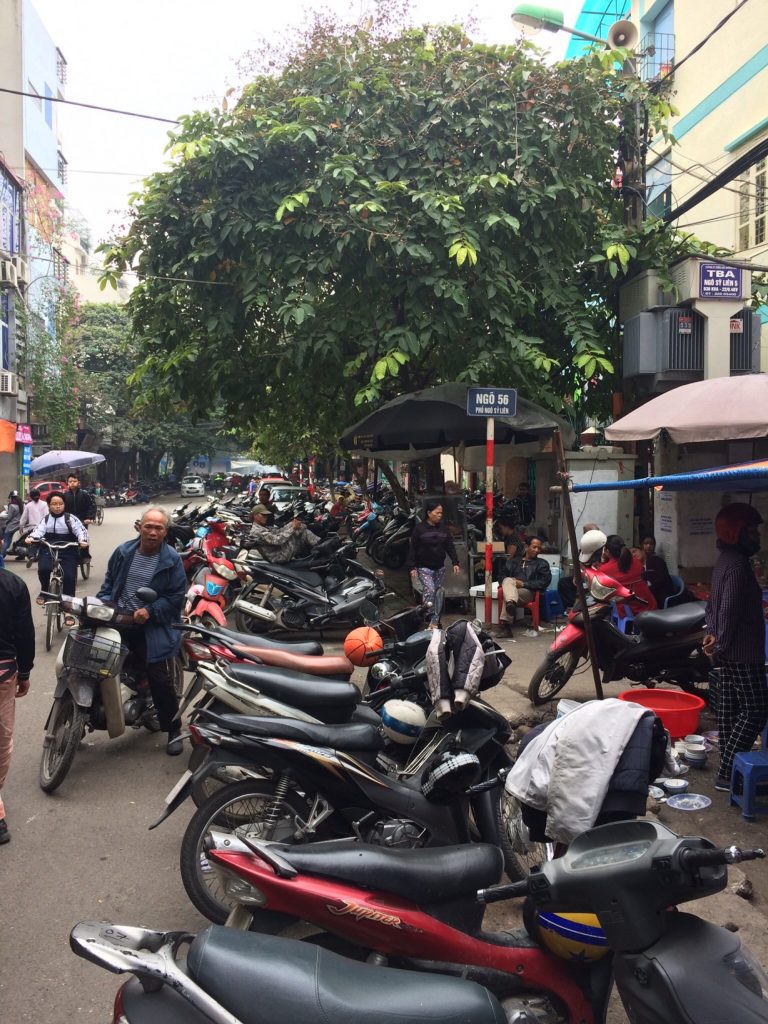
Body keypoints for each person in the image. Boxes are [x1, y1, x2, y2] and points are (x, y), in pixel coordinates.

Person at [97, 507, 187, 756]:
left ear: (165, 532)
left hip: (151, 626)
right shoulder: (124, 552)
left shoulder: (171, 560)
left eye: (158, 528)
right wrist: (103, 603)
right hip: (120, 619)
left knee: (159, 677)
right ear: (139, 527)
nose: (153, 532)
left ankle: (173, 728)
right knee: (94, 663)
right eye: (149, 526)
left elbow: (175, 597)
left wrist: (150, 610)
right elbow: (109, 583)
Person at [703, 503, 768, 793]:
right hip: (743, 652)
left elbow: (712, 605)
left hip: (729, 650)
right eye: (751, 531)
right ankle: (729, 770)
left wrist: (714, 634)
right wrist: (722, 641)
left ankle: (726, 772)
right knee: (755, 709)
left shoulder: (724, 561)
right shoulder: (738, 566)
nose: (757, 536)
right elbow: (726, 609)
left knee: (730, 713)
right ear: (735, 533)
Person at [0, 564, 35, 844]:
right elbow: (24, 633)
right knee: (1, 740)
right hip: (4, 675)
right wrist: (24, 672)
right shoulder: (13, 584)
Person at [26, 494, 89, 621]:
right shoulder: (45, 519)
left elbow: (81, 531)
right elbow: (38, 531)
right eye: (54, 504)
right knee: (43, 569)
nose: (57, 506)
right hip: (49, 548)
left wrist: (82, 540)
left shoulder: (70, 518)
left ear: (64, 505)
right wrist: (32, 537)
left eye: (60, 503)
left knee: (70, 577)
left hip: (68, 549)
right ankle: (44, 591)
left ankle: (68, 609)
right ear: (49, 505)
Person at [408, 499, 461, 628]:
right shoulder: (420, 529)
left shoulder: (443, 528)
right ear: (429, 513)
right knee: (430, 590)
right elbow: (413, 548)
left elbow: (449, 545)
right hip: (423, 567)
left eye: (441, 513)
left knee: (437, 593)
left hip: (439, 568)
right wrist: (412, 566)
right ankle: (428, 615)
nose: (440, 515)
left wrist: (455, 562)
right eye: (437, 513)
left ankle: (434, 620)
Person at [499, 535, 551, 632]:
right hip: (512, 589)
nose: (537, 550)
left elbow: (544, 582)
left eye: (539, 548)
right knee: (507, 580)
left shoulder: (542, 564)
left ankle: (506, 628)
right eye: (534, 547)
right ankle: (511, 603)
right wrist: (512, 581)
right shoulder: (513, 562)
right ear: (526, 547)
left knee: (508, 595)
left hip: (528, 592)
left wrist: (523, 584)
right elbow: (501, 576)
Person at [600, 534, 657, 613]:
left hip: (630, 611)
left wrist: (603, 560)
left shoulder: (605, 569)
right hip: (650, 606)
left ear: (607, 551)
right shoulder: (637, 562)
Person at [248, 504, 320, 563]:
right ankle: (321, 546)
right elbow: (277, 540)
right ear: (255, 515)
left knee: (301, 530)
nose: (266, 517)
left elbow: (279, 531)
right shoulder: (257, 530)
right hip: (278, 556)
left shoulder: (263, 527)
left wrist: (291, 524)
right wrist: (293, 528)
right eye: (263, 515)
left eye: (266, 515)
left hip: (279, 551)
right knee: (301, 531)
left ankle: (320, 546)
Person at [557, 527, 607, 611]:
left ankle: (583, 605)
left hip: (596, 577)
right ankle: (571, 605)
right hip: (584, 573)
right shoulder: (584, 548)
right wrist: (578, 574)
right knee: (563, 582)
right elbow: (580, 562)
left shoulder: (602, 547)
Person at [63, 474, 96, 568]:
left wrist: (89, 518)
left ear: (78, 483)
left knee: (83, 539)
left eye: (74, 481)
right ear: (67, 483)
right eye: (70, 481)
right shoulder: (64, 495)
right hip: (68, 521)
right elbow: (61, 508)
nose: (72, 483)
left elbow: (92, 506)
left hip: (82, 521)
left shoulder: (85, 494)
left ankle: (85, 556)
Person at [640, 534, 676, 607]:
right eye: (646, 544)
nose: (649, 546)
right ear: (641, 545)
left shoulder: (658, 561)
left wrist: (647, 589)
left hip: (660, 594)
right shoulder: (641, 561)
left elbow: (661, 581)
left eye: (651, 544)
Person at [1, 492, 23, 559]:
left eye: (10, 498)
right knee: (19, 542)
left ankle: (1, 556)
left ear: (12, 498)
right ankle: (22, 556)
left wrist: (2, 516)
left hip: (11, 527)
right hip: (18, 526)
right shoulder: (21, 505)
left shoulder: (12, 506)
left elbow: (9, 517)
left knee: (6, 542)